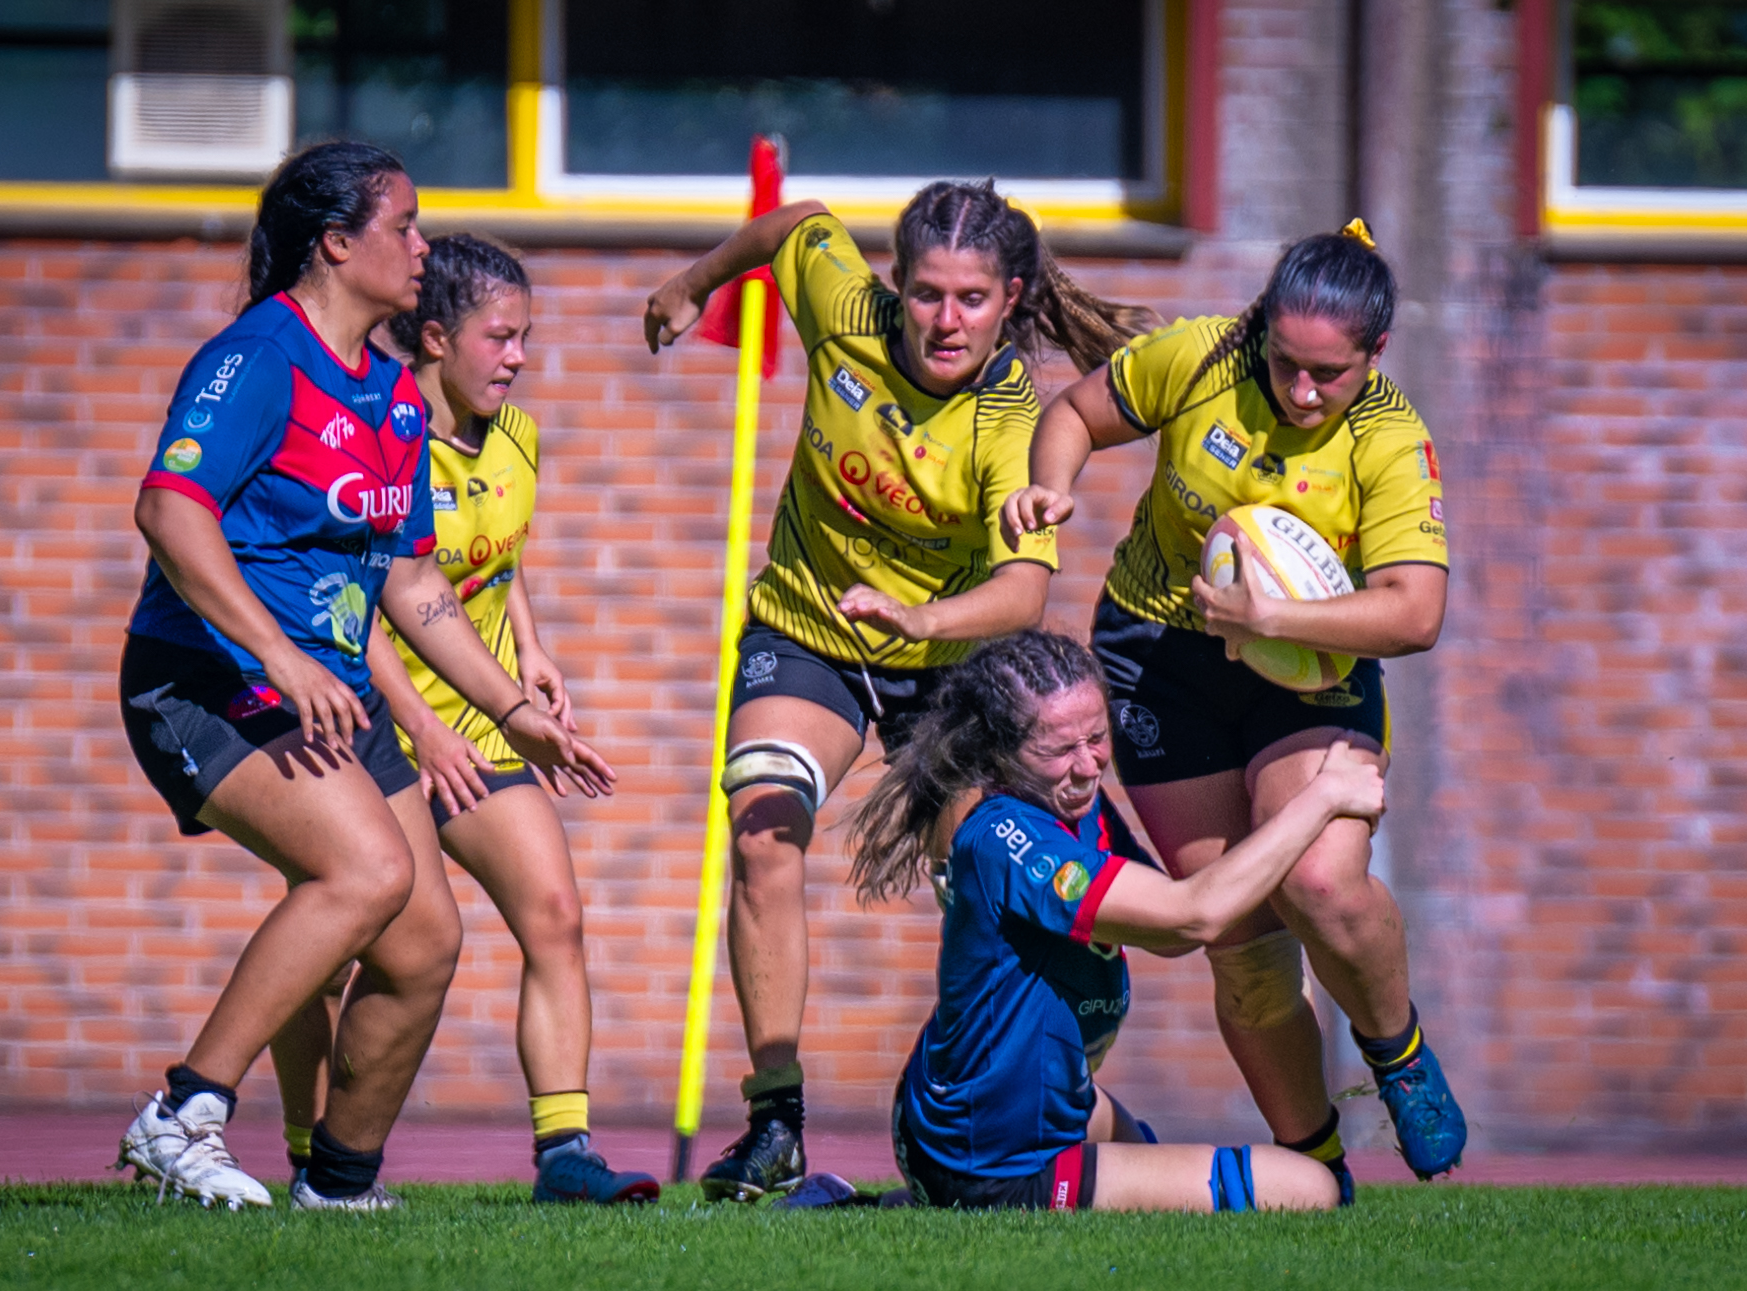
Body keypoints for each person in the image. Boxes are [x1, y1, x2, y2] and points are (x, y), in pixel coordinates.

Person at [115, 143, 610, 1211]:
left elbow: (413, 581)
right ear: (336, 243)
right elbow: (170, 512)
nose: (423, 248)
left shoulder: (390, 396)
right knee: (367, 873)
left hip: (326, 689)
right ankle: (182, 1113)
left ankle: (337, 1184)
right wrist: (281, 654)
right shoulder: (258, 358)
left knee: (427, 941)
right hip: (205, 679)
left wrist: (513, 710)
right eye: (406, 226)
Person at [642, 181, 1155, 1201]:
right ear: (894, 286)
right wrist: (691, 282)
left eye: (970, 298)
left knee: (992, 888)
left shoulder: (1011, 423)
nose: (944, 320)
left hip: (949, 665)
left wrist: (921, 620)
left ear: (1011, 297)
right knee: (763, 828)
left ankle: (1096, 1123)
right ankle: (775, 1121)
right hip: (808, 631)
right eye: (925, 294)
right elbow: (800, 221)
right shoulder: (846, 306)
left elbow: (1023, 591)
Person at [999, 220, 1464, 1198]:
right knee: (1242, 945)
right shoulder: (1202, 357)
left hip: (1311, 674)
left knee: (1323, 883)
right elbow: (1074, 413)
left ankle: (1399, 1052)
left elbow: (1416, 613)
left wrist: (1275, 615)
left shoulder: (1386, 439)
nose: (1300, 392)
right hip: (1161, 662)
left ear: (1373, 354)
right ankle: (1318, 1167)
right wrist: (1050, 487)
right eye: (1283, 364)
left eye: (1325, 375)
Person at [264, 234, 656, 1204]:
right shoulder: (381, 433)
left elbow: (488, 562)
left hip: (479, 722)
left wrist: (531, 646)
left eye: (526, 337)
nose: (518, 357)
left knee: (555, 913)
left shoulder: (516, 436)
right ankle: (312, 1151)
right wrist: (419, 729)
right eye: (502, 336)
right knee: (328, 957)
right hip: (362, 720)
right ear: (435, 337)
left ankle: (565, 1153)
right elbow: (375, 594)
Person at [848, 630, 1378, 1213]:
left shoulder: (1072, 803)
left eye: (1098, 737)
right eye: (1057, 750)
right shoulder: (1009, 838)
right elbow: (1190, 918)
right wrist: (1321, 798)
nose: (1086, 766)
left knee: (1140, 1151)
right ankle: (902, 1203)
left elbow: (1165, 924)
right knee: (1311, 1190)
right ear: (996, 752)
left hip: (987, 1114)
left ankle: (914, 1199)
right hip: (995, 1164)